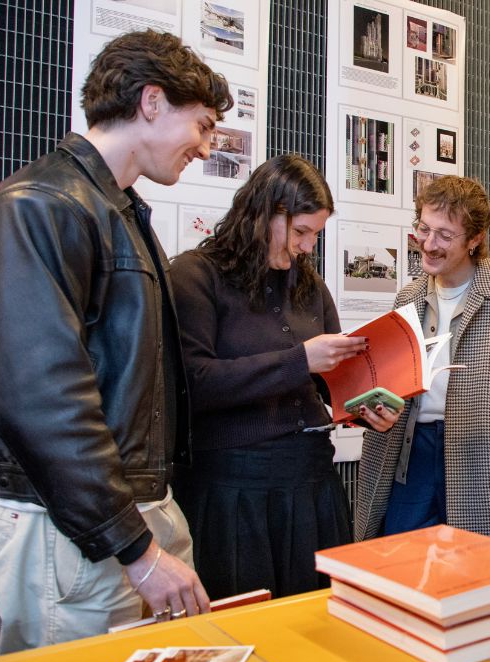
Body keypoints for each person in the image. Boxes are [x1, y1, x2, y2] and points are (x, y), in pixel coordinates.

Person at [0, 30, 232, 652]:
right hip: (67, 525)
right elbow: (41, 401)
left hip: (116, 513)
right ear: (154, 102)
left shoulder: (115, 209)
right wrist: (134, 548)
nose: (206, 146)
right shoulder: (42, 206)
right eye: (204, 125)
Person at [170, 155, 398, 600]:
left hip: (312, 484)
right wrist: (299, 360)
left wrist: (365, 409)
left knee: (320, 623)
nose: (308, 246)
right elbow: (193, 383)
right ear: (263, 214)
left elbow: (330, 381)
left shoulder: (308, 285)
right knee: (245, 625)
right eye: (300, 232)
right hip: (233, 492)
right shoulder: (196, 276)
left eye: (315, 234)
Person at [356, 176, 490, 544]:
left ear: (475, 238)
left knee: (479, 579)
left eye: (444, 235)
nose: (428, 244)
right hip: (408, 458)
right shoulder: (408, 297)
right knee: (402, 574)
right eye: (423, 228)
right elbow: (389, 378)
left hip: (483, 462)